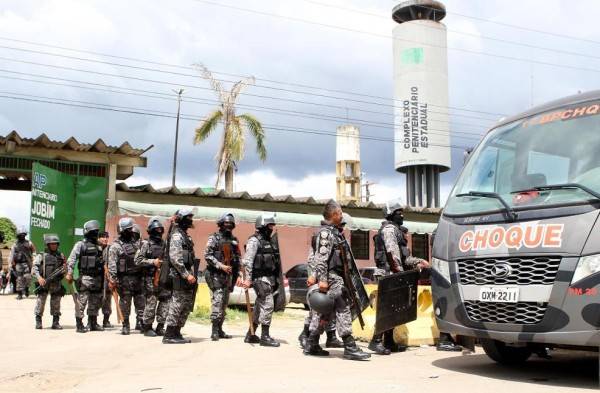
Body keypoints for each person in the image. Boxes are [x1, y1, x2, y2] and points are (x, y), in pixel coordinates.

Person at [303, 201, 370, 361]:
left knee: (326, 311)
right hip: (332, 278)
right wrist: (323, 280)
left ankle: (312, 343)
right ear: (334, 215)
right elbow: (321, 259)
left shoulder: (334, 232)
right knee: (343, 308)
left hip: (338, 277)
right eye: (340, 213)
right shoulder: (326, 233)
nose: (341, 215)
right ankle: (350, 346)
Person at [369, 200, 430, 355]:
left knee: (394, 310)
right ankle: (375, 341)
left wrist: (418, 261)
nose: (402, 215)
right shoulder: (389, 230)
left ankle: (389, 341)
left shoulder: (398, 231)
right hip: (389, 274)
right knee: (387, 309)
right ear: (390, 214)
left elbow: (404, 257)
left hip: (395, 273)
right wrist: (398, 273)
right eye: (398, 212)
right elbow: (392, 254)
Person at [241, 213, 280, 347]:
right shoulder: (254, 241)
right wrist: (247, 279)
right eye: (269, 225)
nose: (271, 228)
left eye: (272, 226)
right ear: (262, 225)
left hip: (268, 278)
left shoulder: (268, 241)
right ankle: (265, 336)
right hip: (259, 279)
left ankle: (250, 335)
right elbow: (248, 261)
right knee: (268, 305)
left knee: (259, 307)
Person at [163, 209, 197, 344]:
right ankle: (169, 334)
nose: (191, 219)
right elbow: (175, 258)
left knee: (186, 305)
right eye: (188, 217)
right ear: (182, 218)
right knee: (177, 304)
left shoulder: (185, 236)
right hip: (179, 275)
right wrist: (186, 274)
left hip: (187, 275)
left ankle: (177, 331)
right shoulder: (177, 236)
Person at [204, 213, 239, 341]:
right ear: (220, 224)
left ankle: (220, 329)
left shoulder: (234, 240)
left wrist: (237, 275)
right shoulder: (214, 238)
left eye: (231, 223)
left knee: (224, 305)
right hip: (215, 276)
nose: (228, 226)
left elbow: (237, 259)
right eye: (226, 223)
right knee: (217, 303)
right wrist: (221, 266)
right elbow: (207, 255)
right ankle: (214, 330)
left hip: (228, 278)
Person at [67, 220, 105, 333]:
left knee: (95, 301)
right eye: (93, 232)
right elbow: (72, 259)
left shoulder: (99, 246)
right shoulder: (80, 245)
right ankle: (79, 324)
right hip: (85, 277)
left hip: (98, 277)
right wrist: (69, 272)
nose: (95, 234)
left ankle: (93, 323)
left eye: (96, 232)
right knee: (82, 301)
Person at [108, 217, 144, 335]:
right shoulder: (116, 246)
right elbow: (112, 264)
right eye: (127, 229)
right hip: (124, 279)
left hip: (138, 277)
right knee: (125, 303)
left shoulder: (137, 243)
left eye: (131, 229)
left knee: (140, 302)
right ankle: (126, 324)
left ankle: (140, 322)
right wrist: (112, 279)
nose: (130, 231)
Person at [135, 216, 170, 337]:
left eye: (160, 230)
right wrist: (152, 262)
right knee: (151, 302)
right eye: (156, 230)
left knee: (165, 302)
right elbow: (137, 261)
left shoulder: (165, 244)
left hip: (164, 278)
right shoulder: (146, 244)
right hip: (150, 278)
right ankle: (147, 327)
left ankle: (160, 326)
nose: (158, 232)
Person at [32, 234, 66, 329]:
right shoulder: (41, 255)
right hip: (44, 283)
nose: (54, 245)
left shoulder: (61, 255)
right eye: (52, 244)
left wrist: (64, 271)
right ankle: (38, 321)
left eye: (55, 244)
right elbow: (34, 268)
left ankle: (55, 322)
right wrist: (39, 278)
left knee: (56, 303)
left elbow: (64, 267)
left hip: (56, 283)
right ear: (47, 244)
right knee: (40, 302)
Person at [9, 227, 35, 300]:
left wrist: (34, 258)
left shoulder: (29, 243)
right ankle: (20, 294)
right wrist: (11, 263)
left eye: (23, 234)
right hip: (18, 264)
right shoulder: (15, 244)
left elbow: (34, 251)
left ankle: (26, 288)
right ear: (18, 235)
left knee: (28, 277)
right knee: (19, 278)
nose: (22, 236)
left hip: (27, 263)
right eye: (20, 235)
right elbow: (11, 254)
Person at [98, 231, 113, 328]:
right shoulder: (95, 248)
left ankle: (106, 320)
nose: (105, 239)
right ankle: (92, 320)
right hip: (97, 278)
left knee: (107, 300)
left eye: (107, 237)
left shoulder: (110, 249)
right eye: (103, 237)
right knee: (94, 300)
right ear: (98, 238)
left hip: (107, 278)